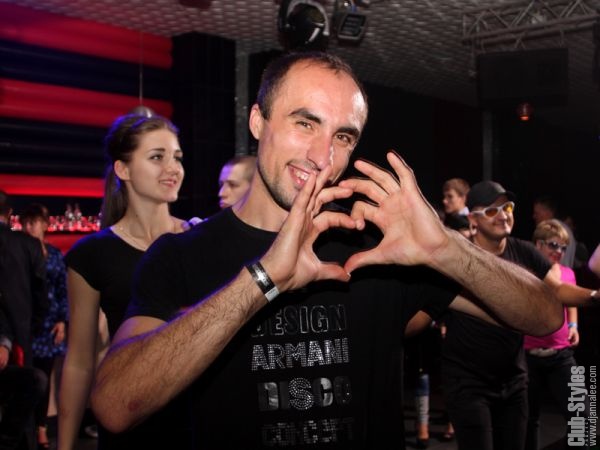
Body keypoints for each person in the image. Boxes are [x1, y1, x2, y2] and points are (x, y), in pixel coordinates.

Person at [91, 51, 564, 449]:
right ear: (257, 121)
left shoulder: (380, 247)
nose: (322, 157)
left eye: (342, 136)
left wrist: (446, 248)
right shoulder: (182, 254)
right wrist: (262, 281)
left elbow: (545, 316)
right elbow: (114, 406)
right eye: (305, 123)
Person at [57, 114, 191, 450]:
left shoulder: (199, 238)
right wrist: (65, 445)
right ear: (123, 169)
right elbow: (80, 361)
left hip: (197, 421)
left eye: (177, 157)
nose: (173, 168)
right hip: (129, 421)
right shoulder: (92, 253)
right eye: (157, 157)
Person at [442, 181, 597, 450]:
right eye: (492, 211)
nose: (503, 215)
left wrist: (594, 296)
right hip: (468, 382)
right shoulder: (459, 257)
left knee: (578, 425)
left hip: (513, 379)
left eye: (507, 208)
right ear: (473, 219)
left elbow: (557, 289)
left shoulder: (524, 251)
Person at [525, 219, 581, 450]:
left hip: (561, 354)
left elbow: (572, 302)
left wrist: (573, 326)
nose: (559, 252)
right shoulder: (524, 272)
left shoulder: (567, 273)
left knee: (581, 414)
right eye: (553, 245)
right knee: (529, 419)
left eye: (563, 248)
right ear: (538, 244)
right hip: (527, 355)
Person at [0, 191, 48, 450]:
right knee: (26, 394)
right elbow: (41, 295)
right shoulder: (29, 245)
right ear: (10, 214)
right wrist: (31, 327)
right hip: (21, 333)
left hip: (13, 335)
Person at [20, 203, 68, 450]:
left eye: (34, 222)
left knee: (45, 377)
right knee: (26, 378)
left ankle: (41, 427)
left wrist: (62, 321)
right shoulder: (17, 252)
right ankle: (24, 429)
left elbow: (62, 289)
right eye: (26, 222)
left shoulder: (55, 254)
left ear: (45, 225)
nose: (29, 227)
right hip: (24, 323)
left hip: (49, 325)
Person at [532, 195, 577, 268]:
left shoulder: (552, 229)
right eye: (553, 245)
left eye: (537, 213)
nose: (534, 216)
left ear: (548, 212)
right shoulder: (567, 230)